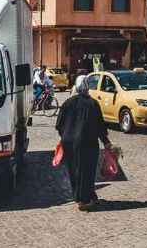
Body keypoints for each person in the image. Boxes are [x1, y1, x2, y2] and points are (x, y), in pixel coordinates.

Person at [56, 77, 113, 211]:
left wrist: (65, 136)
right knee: (87, 170)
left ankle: (78, 197)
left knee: (74, 170)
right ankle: (85, 199)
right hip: (88, 142)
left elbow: (59, 125)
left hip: (69, 142)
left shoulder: (67, 103)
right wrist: (106, 142)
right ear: (88, 87)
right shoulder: (93, 104)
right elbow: (99, 126)